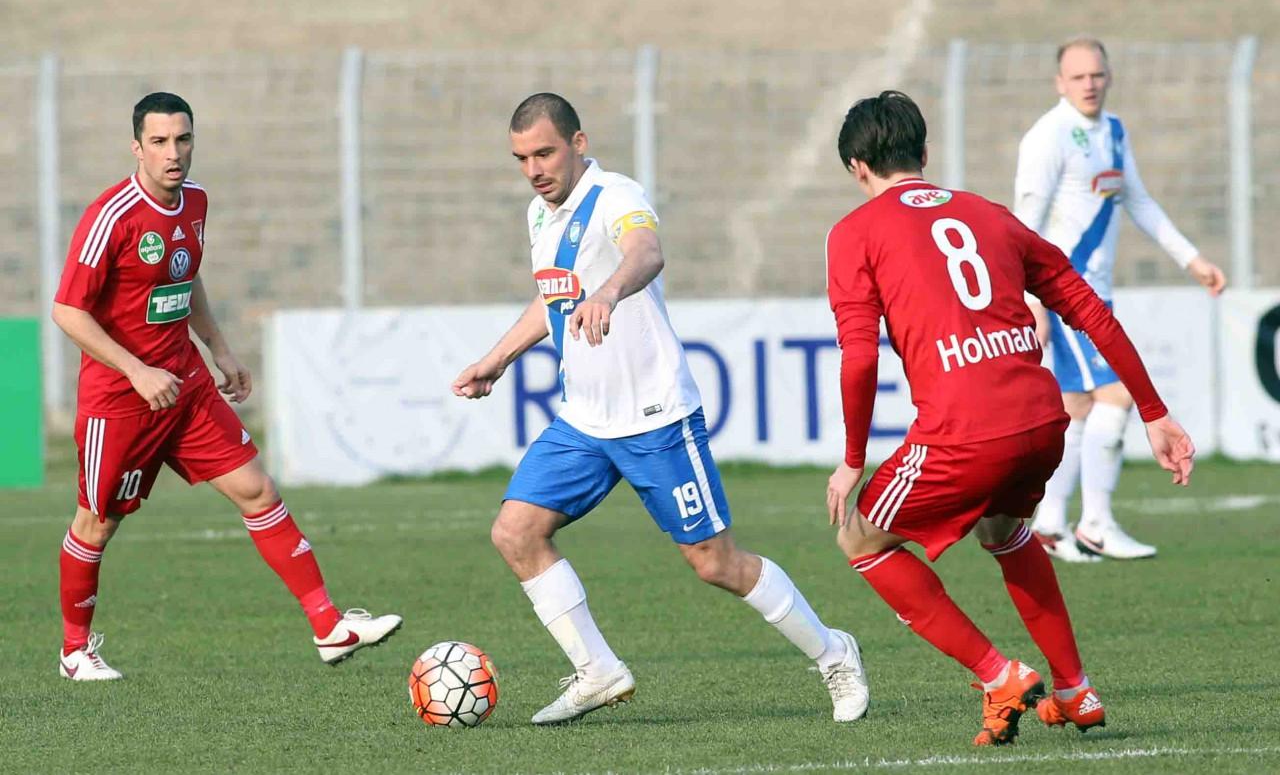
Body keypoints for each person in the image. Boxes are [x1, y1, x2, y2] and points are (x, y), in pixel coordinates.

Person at [451, 92, 868, 725]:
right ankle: (598, 670)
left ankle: (835, 653)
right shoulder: (540, 215)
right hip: (584, 420)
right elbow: (554, 297)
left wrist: (609, 294)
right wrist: (498, 358)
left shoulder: (615, 195)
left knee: (715, 563)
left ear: (578, 143)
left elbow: (646, 251)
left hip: (655, 417)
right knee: (516, 532)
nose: (534, 169)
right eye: (522, 159)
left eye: (545, 153)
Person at [824, 91, 1195, 745]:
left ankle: (1000, 676)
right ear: (925, 152)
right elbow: (1089, 308)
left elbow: (859, 359)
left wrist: (852, 459)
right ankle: (1075, 689)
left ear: (857, 167)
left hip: (964, 433)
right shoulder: (989, 214)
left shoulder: (855, 232)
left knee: (859, 539)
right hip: (1041, 422)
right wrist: (1154, 410)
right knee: (1003, 527)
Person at [52, 92, 400, 681]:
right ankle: (74, 651)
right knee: (97, 523)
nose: (173, 153)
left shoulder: (196, 201)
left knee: (257, 490)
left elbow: (185, 278)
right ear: (136, 147)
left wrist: (219, 347)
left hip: (185, 386)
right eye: (159, 142)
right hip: (120, 401)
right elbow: (67, 311)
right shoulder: (110, 216)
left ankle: (328, 626)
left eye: (183, 139)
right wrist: (136, 371)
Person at [1015, 37, 1226, 562]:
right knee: (1117, 395)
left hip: (1095, 295)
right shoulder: (1048, 136)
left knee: (1078, 407)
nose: (1089, 84)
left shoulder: (1112, 131)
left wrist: (1192, 259)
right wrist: (1031, 301)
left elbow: (1139, 201)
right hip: (1064, 293)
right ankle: (1096, 524)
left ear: (1108, 77)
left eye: (1096, 75)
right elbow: (1024, 225)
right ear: (1059, 83)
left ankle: (1049, 524)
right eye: (1078, 77)